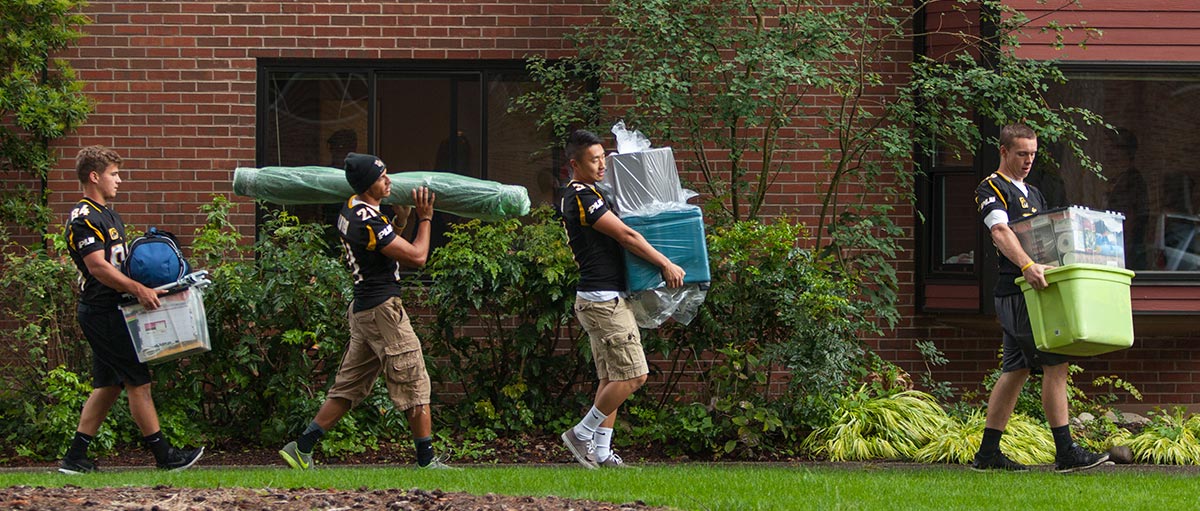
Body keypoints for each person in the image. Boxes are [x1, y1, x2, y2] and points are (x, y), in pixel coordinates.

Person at [279, 152, 453, 470]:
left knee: (349, 386)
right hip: (383, 312)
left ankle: (301, 448)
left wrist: (401, 220)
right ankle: (427, 461)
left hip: (364, 310)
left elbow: (383, 249)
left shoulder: (352, 208)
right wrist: (425, 218)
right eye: (381, 176)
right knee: (414, 379)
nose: (389, 179)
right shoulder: (366, 219)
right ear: (366, 184)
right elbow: (416, 257)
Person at [972, 124, 1109, 473]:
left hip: (1036, 290)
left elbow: (1046, 238)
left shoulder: (1033, 192)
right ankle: (1065, 452)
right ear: (1003, 151)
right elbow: (1000, 232)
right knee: (1055, 364)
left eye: (1032, 154)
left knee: (1015, 370)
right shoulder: (992, 187)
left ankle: (987, 455)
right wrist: (1028, 266)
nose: (1028, 160)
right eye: (1021, 154)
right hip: (1018, 290)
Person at [60, 146, 205, 474]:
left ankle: (75, 458)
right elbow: (98, 267)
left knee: (108, 386)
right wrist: (138, 289)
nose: (120, 180)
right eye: (114, 174)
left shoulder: (110, 214)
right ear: (94, 177)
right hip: (101, 312)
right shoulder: (83, 218)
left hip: (113, 309)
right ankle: (165, 457)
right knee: (139, 382)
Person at [557, 130, 686, 469]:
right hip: (602, 301)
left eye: (603, 157)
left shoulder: (596, 191)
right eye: (594, 160)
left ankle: (601, 453)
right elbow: (626, 235)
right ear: (575, 164)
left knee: (613, 377)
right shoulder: (581, 197)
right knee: (634, 376)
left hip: (606, 296)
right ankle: (580, 434)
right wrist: (665, 262)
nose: (602, 164)